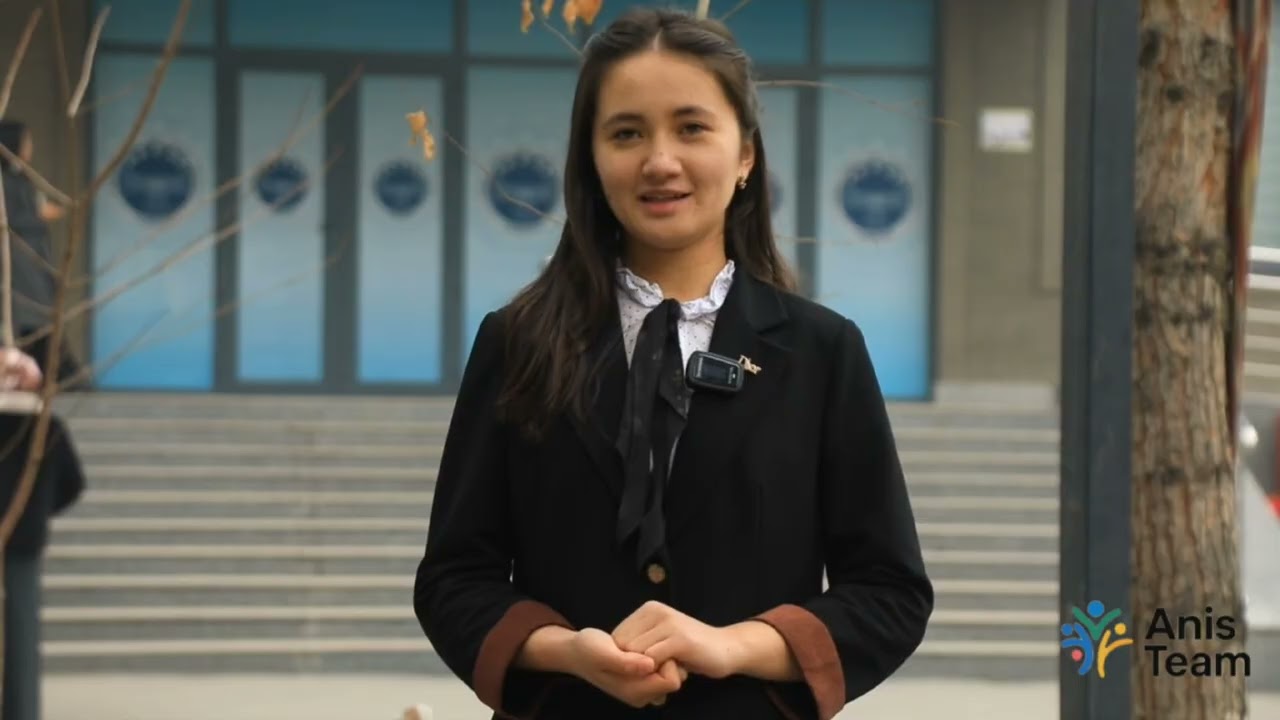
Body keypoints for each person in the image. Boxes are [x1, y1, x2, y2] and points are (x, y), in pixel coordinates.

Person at [414, 8, 933, 719]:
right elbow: (454, 579)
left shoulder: (821, 351)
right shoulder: (518, 342)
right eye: (627, 133)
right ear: (591, 159)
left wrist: (732, 645)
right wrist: (565, 651)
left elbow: (888, 592)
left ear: (745, 154)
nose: (660, 161)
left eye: (691, 128)